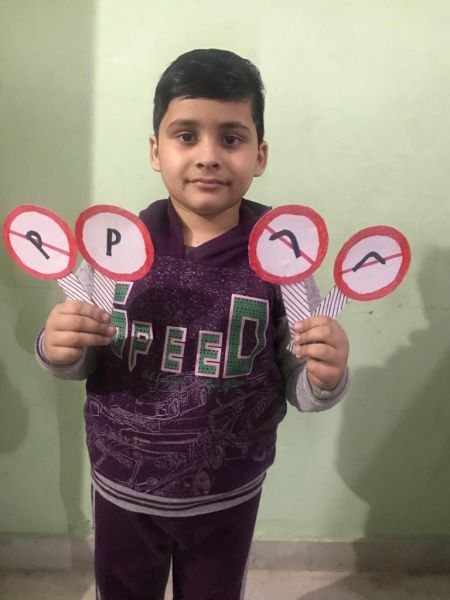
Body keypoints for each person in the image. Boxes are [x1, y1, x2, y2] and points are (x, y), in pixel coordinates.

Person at [36, 49, 350, 600]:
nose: (208, 156)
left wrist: (325, 376)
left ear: (260, 155)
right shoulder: (114, 247)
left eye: (231, 138)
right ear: (156, 151)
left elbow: (301, 380)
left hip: (229, 493)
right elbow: (81, 356)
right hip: (122, 489)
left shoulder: (285, 258)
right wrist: (58, 347)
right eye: (186, 136)